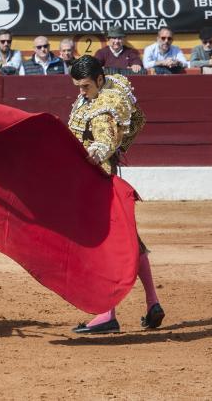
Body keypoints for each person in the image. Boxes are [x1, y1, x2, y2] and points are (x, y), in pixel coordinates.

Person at [68, 54, 164, 335]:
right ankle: (152, 302)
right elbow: (136, 120)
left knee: (102, 246)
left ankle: (107, 313)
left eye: (85, 86)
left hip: (97, 181)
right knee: (130, 241)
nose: (81, 92)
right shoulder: (111, 87)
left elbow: (105, 139)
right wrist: (119, 146)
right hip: (104, 178)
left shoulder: (104, 105)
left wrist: (100, 152)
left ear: (99, 79)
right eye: (77, 87)